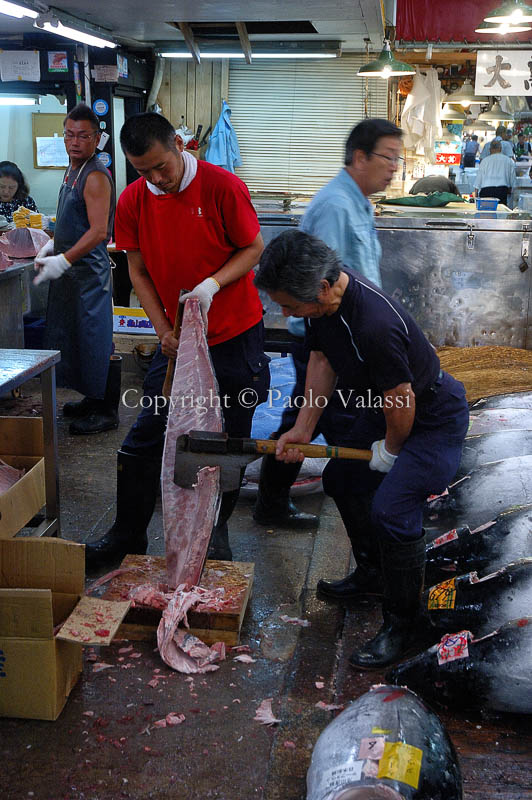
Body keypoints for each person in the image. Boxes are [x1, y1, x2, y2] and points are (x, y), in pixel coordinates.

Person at [254, 229, 469, 669]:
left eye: (290, 306)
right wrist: (302, 428)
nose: (284, 312)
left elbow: (401, 397)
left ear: (322, 287)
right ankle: (373, 576)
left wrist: (390, 452)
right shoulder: (324, 299)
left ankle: (405, 624)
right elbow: (321, 360)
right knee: (342, 478)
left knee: (392, 508)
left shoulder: (374, 323)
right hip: (384, 405)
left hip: (431, 417)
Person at [84, 112, 270, 569]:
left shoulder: (221, 186)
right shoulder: (132, 201)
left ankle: (215, 534)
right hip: (177, 342)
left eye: (162, 167)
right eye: (143, 170)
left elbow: (254, 248)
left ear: (180, 147)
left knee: (224, 440)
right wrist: (163, 330)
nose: (156, 179)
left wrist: (211, 286)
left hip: (232, 335)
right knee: (147, 435)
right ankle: (126, 535)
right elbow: (137, 270)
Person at [254, 119, 403, 536]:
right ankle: (367, 530)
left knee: (306, 421)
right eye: (388, 157)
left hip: (346, 341)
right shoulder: (337, 205)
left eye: (397, 158)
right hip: (329, 344)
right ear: (360, 157)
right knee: (335, 428)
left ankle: (273, 501)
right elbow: (323, 289)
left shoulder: (357, 201)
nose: (393, 168)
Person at [34, 103, 118, 436]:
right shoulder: (71, 169)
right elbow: (72, 220)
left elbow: (99, 232)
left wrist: (65, 258)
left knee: (95, 338)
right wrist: (52, 243)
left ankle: (106, 410)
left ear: (97, 139)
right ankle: (91, 399)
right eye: (70, 134)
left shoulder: (95, 174)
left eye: (84, 136)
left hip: (87, 274)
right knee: (73, 337)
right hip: (69, 272)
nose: (75, 142)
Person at [473, 139, 516, 206]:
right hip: (502, 191)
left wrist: (475, 195)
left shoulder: (485, 161)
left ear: (490, 149)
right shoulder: (508, 161)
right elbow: (513, 180)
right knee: (500, 213)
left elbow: (478, 181)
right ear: (501, 149)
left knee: (486, 213)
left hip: (486, 191)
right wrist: (511, 190)